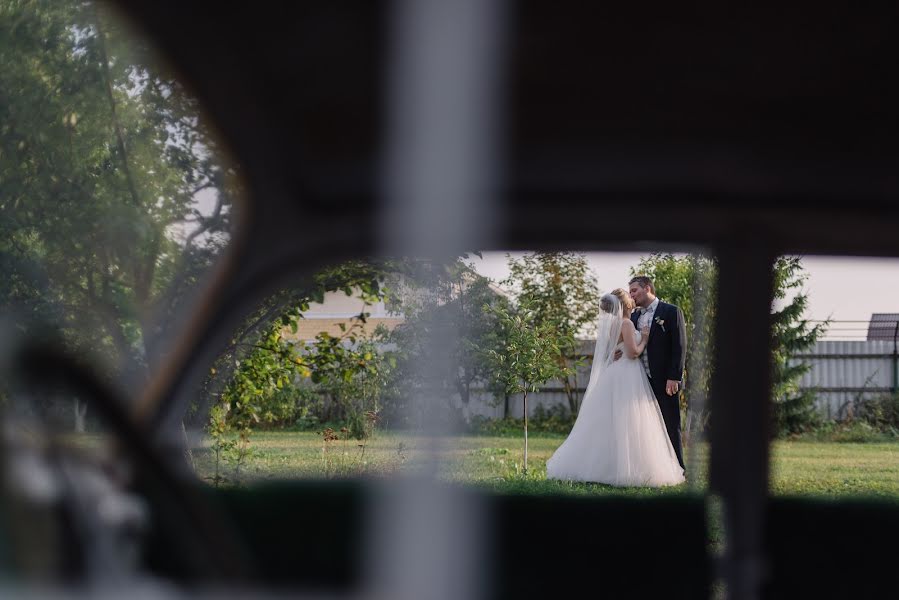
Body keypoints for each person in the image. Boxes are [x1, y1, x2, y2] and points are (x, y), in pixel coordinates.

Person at [545, 288, 684, 486]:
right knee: (631, 421)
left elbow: (614, 351)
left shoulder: (615, 325)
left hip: (617, 373)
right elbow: (633, 353)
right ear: (624, 302)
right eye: (629, 294)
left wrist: (616, 353)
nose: (632, 296)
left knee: (613, 422)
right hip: (628, 374)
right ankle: (627, 469)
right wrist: (644, 337)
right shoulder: (626, 323)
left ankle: (609, 466)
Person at [627, 276, 688, 470]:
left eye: (634, 290)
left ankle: (678, 468)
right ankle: (650, 468)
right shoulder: (634, 316)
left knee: (670, 423)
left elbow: (680, 346)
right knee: (644, 427)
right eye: (630, 292)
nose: (631, 295)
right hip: (640, 381)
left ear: (647, 288)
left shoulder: (670, 312)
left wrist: (674, 377)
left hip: (664, 380)